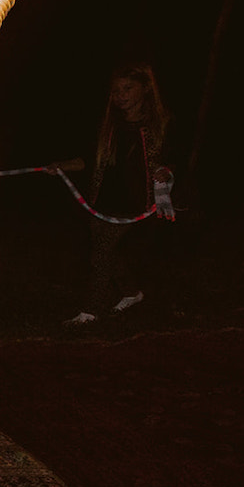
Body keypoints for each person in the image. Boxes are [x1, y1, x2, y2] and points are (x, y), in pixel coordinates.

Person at [53, 62, 177, 325]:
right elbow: (89, 160)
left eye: (127, 88)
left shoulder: (160, 125)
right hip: (103, 201)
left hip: (134, 204)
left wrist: (166, 171)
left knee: (100, 255)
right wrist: (60, 166)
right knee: (107, 251)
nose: (120, 95)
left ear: (145, 89)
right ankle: (132, 293)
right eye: (116, 90)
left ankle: (90, 311)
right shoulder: (111, 125)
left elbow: (174, 159)